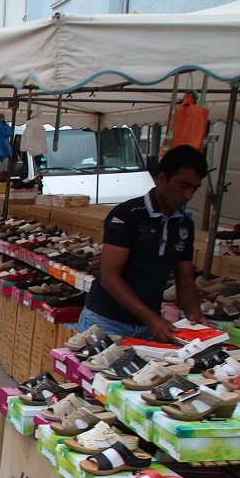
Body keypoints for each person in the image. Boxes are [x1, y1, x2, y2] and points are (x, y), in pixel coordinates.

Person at [79, 145, 209, 342]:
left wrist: (194, 315)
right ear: (162, 178)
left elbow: (185, 279)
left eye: (195, 188)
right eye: (184, 186)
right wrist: (153, 319)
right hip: (107, 321)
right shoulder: (127, 215)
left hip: (146, 326)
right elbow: (110, 277)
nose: (189, 195)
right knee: (100, 372)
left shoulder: (184, 225)